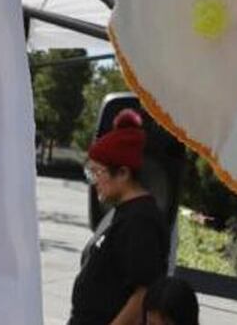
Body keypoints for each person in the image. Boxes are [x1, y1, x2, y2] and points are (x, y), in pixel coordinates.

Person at [69, 109, 168, 325]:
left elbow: (145, 292)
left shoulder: (141, 221)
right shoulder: (121, 211)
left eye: (97, 173)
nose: (94, 181)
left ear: (123, 173)